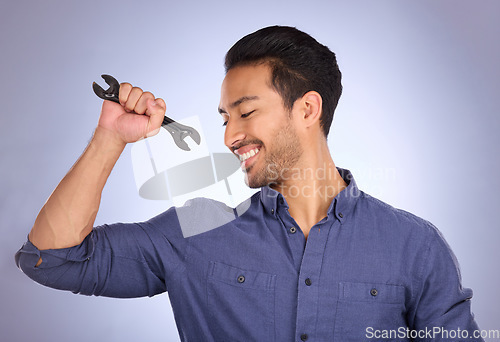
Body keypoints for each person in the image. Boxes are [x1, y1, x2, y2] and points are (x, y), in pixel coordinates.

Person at [16, 26, 483, 341]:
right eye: (224, 117)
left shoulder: (414, 246)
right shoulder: (203, 223)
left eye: (246, 111)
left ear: (307, 109)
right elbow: (52, 259)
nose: (229, 135)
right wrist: (110, 137)